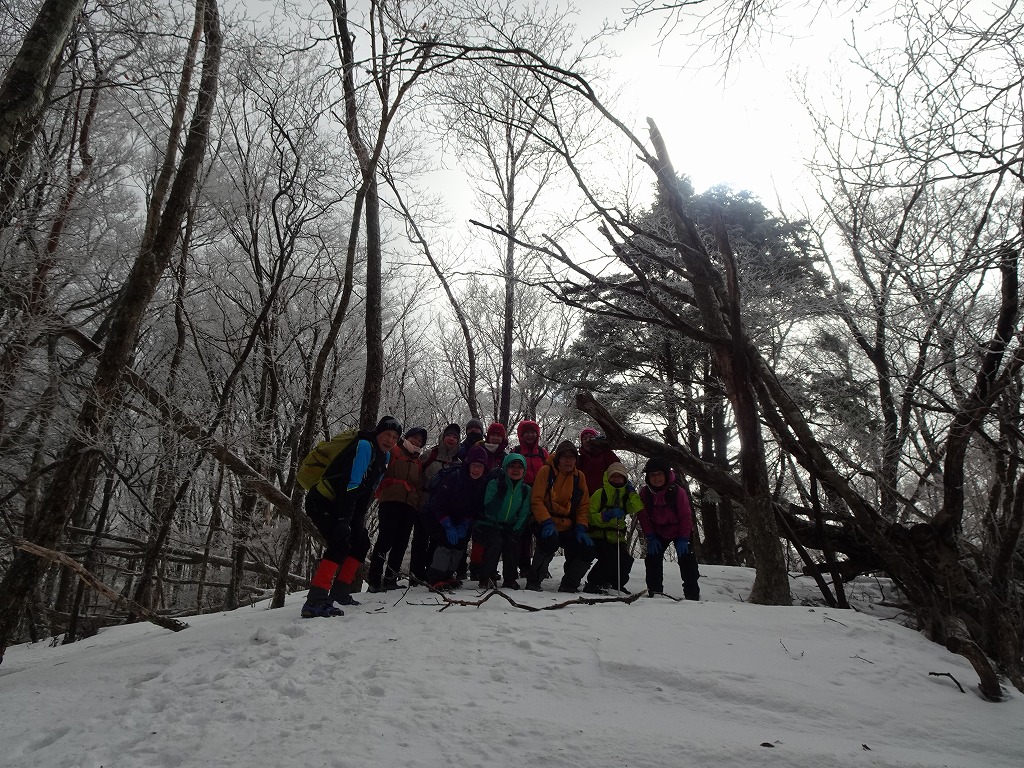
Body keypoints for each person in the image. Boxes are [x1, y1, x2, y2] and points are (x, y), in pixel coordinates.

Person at [301, 416, 402, 618]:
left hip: (344, 503)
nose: (390, 440)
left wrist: (356, 521)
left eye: (395, 437)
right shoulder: (364, 446)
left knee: (361, 543)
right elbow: (351, 484)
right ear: (378, 432)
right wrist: (343, 520)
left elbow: (367, 492)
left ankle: (340, 593)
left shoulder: (385, 457)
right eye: (387, 434)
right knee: (340, 542)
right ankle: (315, 601)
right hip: (323, 501)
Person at [526, 440, 594, 592]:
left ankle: (569, 584)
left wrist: (581, 527)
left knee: (587, 549)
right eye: (565, 457)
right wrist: (546, 522)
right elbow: (536, 500)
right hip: (544, 521)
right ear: (558, 458)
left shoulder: (579, 477)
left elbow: (583, 505)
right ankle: (534, 580)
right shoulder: (546, 471)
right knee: (549, 541)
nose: (568, 461)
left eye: (572, 457)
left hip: (568, 525)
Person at [367, 426, 427, 592]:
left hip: (410, 505)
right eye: (414, 437)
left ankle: (390, 579)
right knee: (385, 540)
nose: (417, 442)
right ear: (407, 437)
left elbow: (419, 484)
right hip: (391, 501)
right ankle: (374, 581)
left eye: (420, 440)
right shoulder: (394, 451)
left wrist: (418, 501)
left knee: (401, 543)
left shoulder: (418, 461)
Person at [423, 444, 489, 590]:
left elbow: (475, 508)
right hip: (439, 517)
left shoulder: (481, 483)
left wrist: (465, 523)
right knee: (445, 545)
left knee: (460, 545)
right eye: (474, 465)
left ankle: (447, 575)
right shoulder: (454, 477)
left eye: (480, 466)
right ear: (468, 465)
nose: (476, 470)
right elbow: (438, 503)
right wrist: (447, 524)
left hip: (460, 520)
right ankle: (435, 578)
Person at [639, 456, 700, 600]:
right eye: (652, 475)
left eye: (659, 474)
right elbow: (643, 516)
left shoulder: (678, 492)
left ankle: (692, 595)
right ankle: (655, 592)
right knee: (652, 559)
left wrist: (684, 538)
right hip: (658, 532)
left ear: (666, 474)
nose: (656, 478)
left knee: (687, 561)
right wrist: (650, 536)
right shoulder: (645, 493)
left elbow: (686, 516)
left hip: (680, 531)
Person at [410, 423, 461, 583]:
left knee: (437, 541)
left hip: (443, 510)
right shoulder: (430, 454)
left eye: (455, 437)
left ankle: (430, 573)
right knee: (420, 539)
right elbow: (416, 475)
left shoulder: (458, 462)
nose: (451, 439)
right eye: (448, 435)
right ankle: (415, 575)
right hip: (424, 504)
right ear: (442, 437)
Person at [582, 462, 644, 594]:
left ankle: (616, 585)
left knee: (626, 560)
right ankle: (593, 582)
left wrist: (632, 492)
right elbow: (589, 516)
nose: (616, 479)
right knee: (610, 555)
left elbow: (637, 506)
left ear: (624, 479)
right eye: (613, 476)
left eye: (620, 476)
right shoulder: (600, 494)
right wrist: (605, 516)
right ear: (608, 477)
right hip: (598, 536)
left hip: (617, 538)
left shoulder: (626, 496)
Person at [475, 453, 532, 589]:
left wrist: (517, 529)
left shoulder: (525, 490)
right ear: (505, 468)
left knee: (512, 542)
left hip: (508, 526)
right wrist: (500, 496)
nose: (516, 470)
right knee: (496, 542)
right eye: (512, 466)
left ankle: (510, 579)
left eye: (519, 467)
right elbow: (490, 510)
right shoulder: (494, 484)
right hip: (488, 524)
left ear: (524, 470)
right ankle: (486, 578)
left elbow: (524, 512)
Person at [510, 419, 548, 576]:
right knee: (523, 532)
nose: (530, 435)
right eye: (526, 432)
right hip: (522, 495)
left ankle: (541, 566)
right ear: (521, 435)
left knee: (541, 531)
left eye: (533, 432)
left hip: (541, 496)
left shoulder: (543, 453)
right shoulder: (516, 451)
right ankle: (524, 566)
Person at [577, 427, 621, 498]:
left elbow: (619, 470)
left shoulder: (606, 454)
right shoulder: (580, 459)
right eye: (584, 439)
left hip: (605, 497)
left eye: (591, 437)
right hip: (585, 498)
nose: (588, 440)